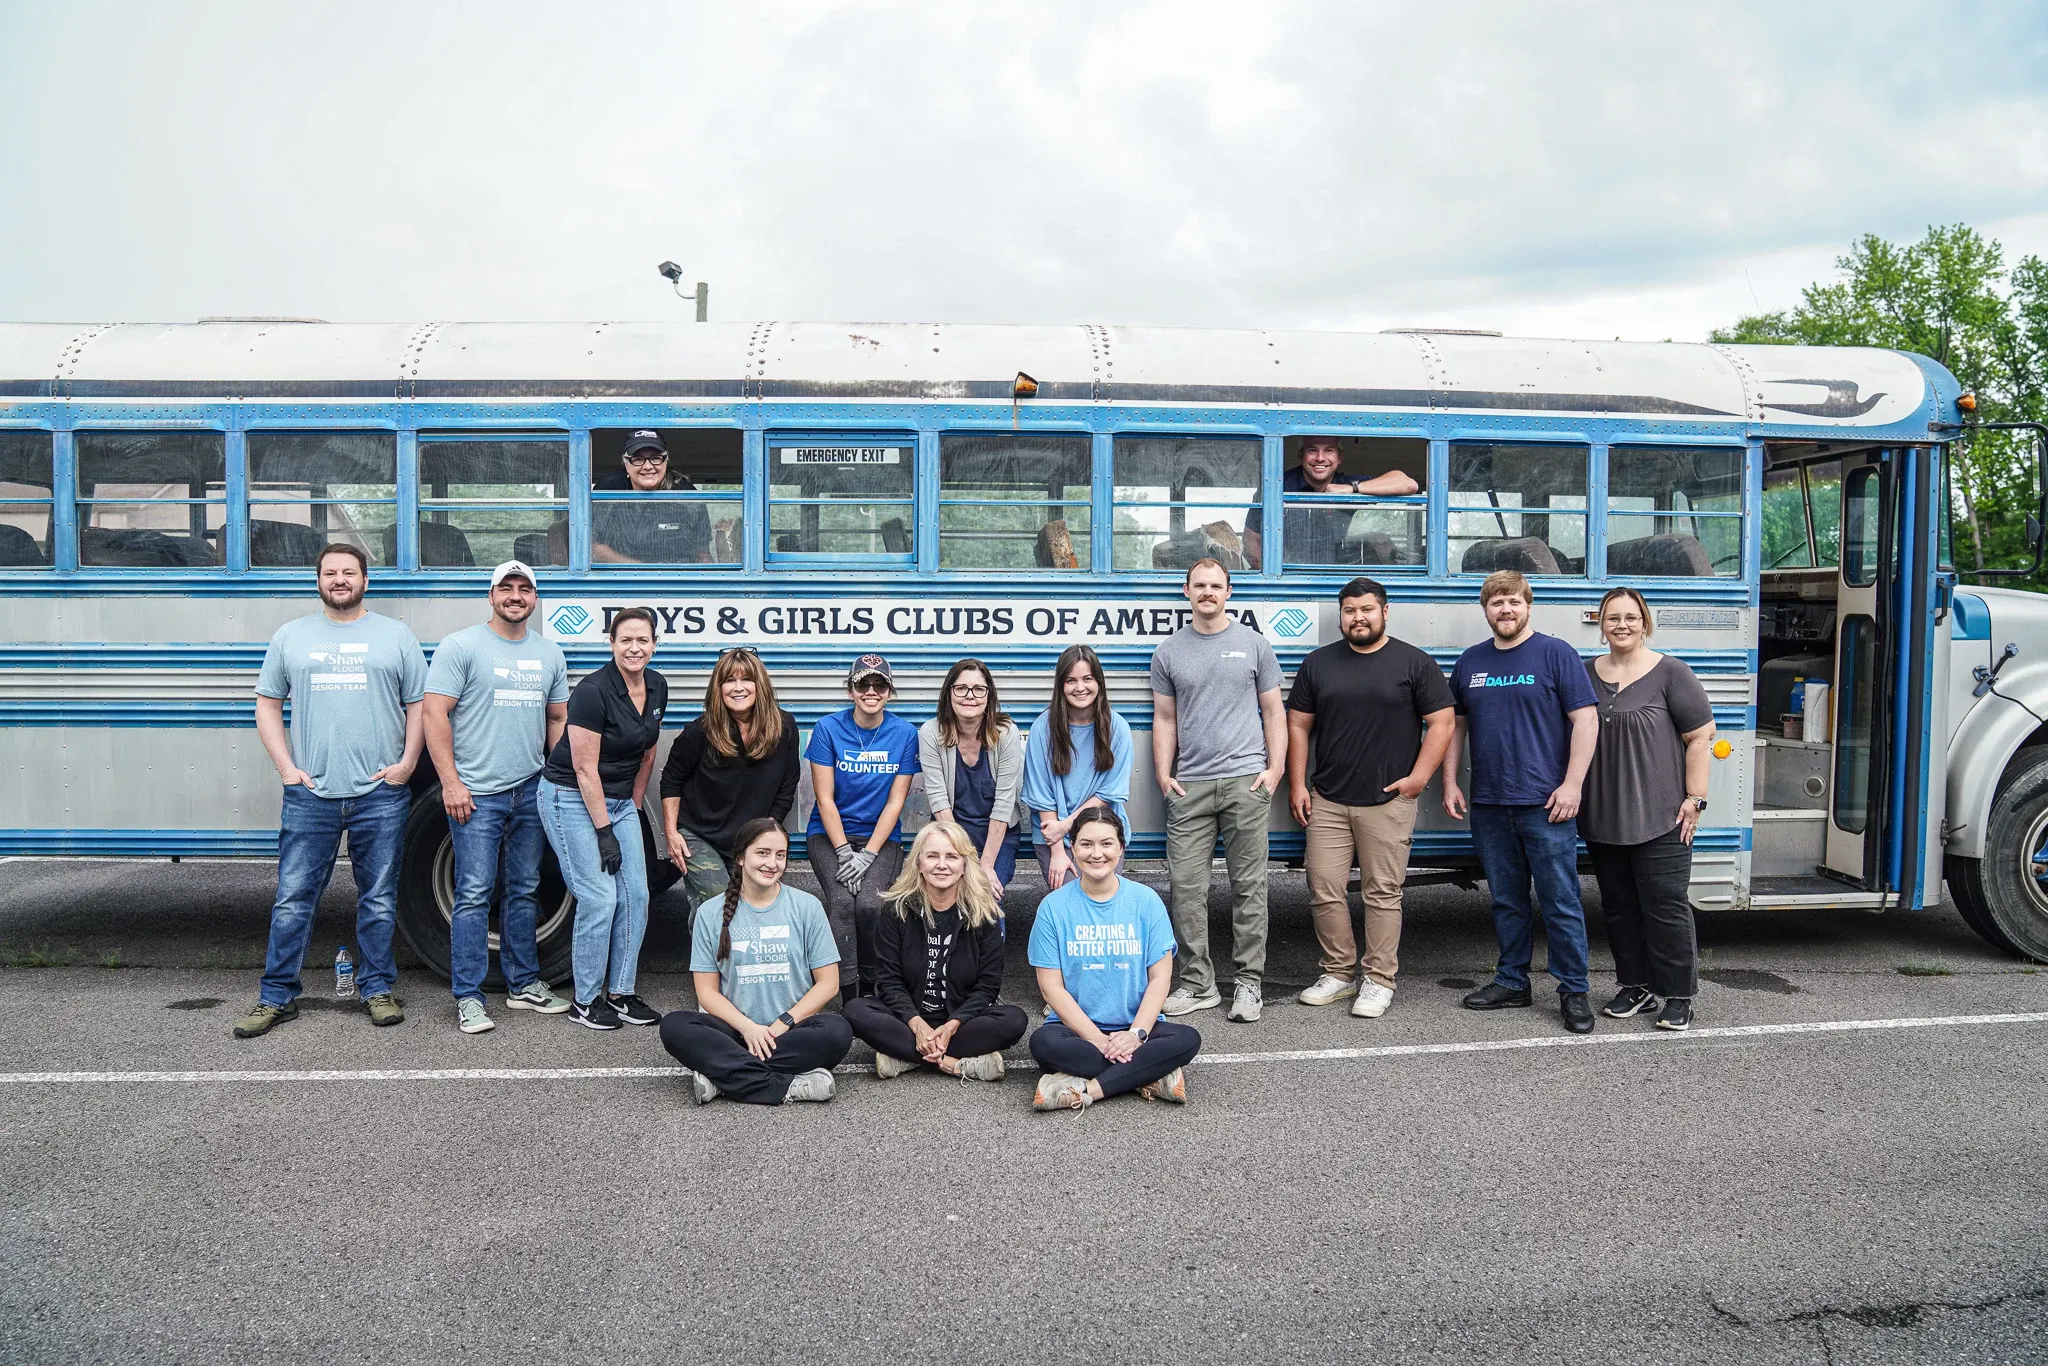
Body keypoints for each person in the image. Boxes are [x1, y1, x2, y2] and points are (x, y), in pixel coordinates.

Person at [234, 543, 426, 1038]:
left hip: (380, 795)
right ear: (318, 580)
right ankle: (277, 995)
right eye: (330, 572)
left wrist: (406, 765)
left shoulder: (395, 636)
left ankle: (377, 987)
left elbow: (420, 707)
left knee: (379, 898)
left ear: (366, 579)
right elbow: (267, 703)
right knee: (293, 898)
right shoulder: (291, 637)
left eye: (349, 572)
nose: (340, 579)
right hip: (310, 794)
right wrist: (286, 768)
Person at [1286, 576, 1455, 1019]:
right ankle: (1339, 974)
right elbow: (1299, 725)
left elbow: (1442, 722)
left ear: (1384, 611)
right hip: (1329, 799)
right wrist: (1298, 783)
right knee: (1323, 888)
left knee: (1383, 893)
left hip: (1388, 800)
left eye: (1366, 610)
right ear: (1340, 615)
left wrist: (1418, 778)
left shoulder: (1414, 663)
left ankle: (1378, 980)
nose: (1357, 618)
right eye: (1349, 611)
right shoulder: (1318, 664)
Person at [1441, 570, 1600, 1034]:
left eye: (1513, 601)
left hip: (1546, 804)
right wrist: (1450, 782)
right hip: (1490, 804)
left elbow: (1586, 722)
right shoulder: (1471, 662)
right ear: (1485, 609)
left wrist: (1573, 785)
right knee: (1507, 901)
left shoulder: (1556, 653)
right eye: (1496, 603)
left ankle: (1573, 990)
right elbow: (1456, 727)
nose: (1505, 610)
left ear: (1528, 606)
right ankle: (1513, 982)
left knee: (1561, 900)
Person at [422, 560, 572, 1034]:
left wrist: (556, 781)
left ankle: (523, 984)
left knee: (523, 889)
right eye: (505, 588)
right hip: (476, 794)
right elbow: (434, 715)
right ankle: (467, 996)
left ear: (534, 598)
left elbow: (556, 721)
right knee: (472, 894)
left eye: (524, 588)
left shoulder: (550, 653)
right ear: (491, 596)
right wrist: (450, 781)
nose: (515, 595)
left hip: (530, 790)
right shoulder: (461, 646)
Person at [1150, 558, 1286, 1023]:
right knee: (1187, 889)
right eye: (1199, 586)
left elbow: (1273, 712)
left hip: (1247, 781)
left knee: (1249, 887)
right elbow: (1165, 718)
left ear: (1229, 592)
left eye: (1216, 586)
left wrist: (1275, 769)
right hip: (1190, 786)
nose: (1207, 592)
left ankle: (1249, 984)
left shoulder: (1254, 645)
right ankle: (1197, 984)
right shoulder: (1169, 652)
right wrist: (1164, 774)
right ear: (1186, 592)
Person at [1581, 587, 1716, 1033]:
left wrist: (1694, 799)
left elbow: (1701, 736)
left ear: (1644, 623)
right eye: (1612, 618)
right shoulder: (1586, 673)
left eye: (1630, 617)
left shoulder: (1671, 672)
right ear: (1601, 624)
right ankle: (1634, 986)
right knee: (1618, 908)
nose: (1621, 625)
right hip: (1604, 817)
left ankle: (1679, 995)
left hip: (1663, 817)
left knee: (1666, 907)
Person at [537, 606, 668, 1031]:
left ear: (654, 644)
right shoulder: (592, 692)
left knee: (637, 896)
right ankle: (586, 999)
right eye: (625, 639)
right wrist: (605, 831)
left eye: (643, 640)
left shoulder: (657, 685)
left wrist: (628, 804)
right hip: (569, 798)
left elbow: (648, 751)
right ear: (611, 644)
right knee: (599, 898)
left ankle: (622, 993)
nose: (635, 648)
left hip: (617, 801)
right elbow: (583, 768)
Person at [660, 818, 850, 1105]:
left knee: (838, 1032)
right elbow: (707, 992)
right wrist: (748, 1028)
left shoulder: (807, 906)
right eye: (762, 853)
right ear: (740, 857)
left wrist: (782, 1024)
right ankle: (787, 1086)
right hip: (734, 1032)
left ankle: (723, 1076)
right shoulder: (710, 913)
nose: (772, 863)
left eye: (780, 855)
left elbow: (828, 983)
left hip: (789, 1031)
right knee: (674, 1026)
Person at [1027, 809, 1201, 1110]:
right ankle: (1150, 1075)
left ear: (1121, 847)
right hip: (1077, 1030)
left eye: (1107, 844)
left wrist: (1136, 1034)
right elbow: (1050, 988)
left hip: (1138, 1026)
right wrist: (1096, 1038)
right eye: (1086, 844)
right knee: (1043, 1044)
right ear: (1072, 847)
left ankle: (1089, 1089)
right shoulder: (1052, 907)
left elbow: (1160, 979)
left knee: (1187, 1038)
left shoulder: (1146, 901)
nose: (1097, 854)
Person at [843, 821, 1027, 1081]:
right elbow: (889, 981)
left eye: (952, 856)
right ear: (919, 863)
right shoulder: (897, 909)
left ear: (964, 865)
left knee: (1014, 1020)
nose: (942, 865)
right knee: (855, 1010)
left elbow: (988, 987)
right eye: (932, 856)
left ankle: (906, 1057)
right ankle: (957, 1063)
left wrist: (953, 1024)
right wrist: (916, 1024)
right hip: (908, 1017)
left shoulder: (985, 914)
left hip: (962, 1020)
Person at [807, 653, 920, 998]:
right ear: (851, 690)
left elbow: (896, 802)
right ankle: (847, 994)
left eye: (880, 684)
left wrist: (868, 855)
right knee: (842, 903)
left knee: (871, 905)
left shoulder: (904, 733)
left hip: (881, 839)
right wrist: (843, 853)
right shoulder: (828, 728)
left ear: (889, 691)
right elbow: (825, 800)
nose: (871, 691)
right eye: (863, 684)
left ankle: (872, 988)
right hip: (829, 835)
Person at [659, 647, 798, 912]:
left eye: (746, 679)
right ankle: (709, 952)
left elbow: (787, 786)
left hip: (749, 836)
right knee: (718, 900)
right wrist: (671, 833)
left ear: (760, 686)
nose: (738, 688)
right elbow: (671, 780)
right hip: (698, 833)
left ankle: (727, 950)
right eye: (729, 680)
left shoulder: (785, 728)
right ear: (718, 688)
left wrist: (767, 829)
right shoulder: (699, 732)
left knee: (751, 903)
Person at [1021, 644, 1134, 890]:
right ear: (1061, 685)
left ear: (1099, 682)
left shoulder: (1118, 728)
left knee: (1102, 898)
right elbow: (1042, 797)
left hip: (1103, 832)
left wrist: (1067, 825)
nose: (1080, 687)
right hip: (1053, 835)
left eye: (1087, 679)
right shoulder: (1043, 728)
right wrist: (1058, 850)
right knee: (1069, 901)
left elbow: (1109, 792)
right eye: (1071, 680)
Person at [917, 658, 1024, 900]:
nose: (970, 696)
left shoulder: (1006, 733)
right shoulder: (931, 733)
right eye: (961, 688)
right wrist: (964, 857)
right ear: (949, 693)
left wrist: (984, 866)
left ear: (988, 695)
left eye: (978, 689)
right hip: (949, 833)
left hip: (997, 836)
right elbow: (939, 803)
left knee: (987, 897)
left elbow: (1004, 804)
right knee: (947, 893)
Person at [1242, 436, 1420, 568]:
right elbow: (1252, 545)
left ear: (1340, 458)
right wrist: (1282, 579)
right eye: (1312, 450)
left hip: (1334, 574)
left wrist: (1353, 490)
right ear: (1300, 455)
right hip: (1286, 575)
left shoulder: (1348, 484)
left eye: (1329, 450)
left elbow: (1408, 484)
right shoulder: (1275, 486)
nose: (1320, 458)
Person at [591, 429, 711, 564]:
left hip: (677, 581)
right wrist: (640, 571)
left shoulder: (687, 497)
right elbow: (593, 546)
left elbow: (702, 554)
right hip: (619, 581)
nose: (648, 466)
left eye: (655, 458)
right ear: (626, 463)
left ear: (666, 461)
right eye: (637, 459)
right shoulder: (608, 490)